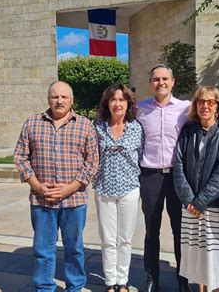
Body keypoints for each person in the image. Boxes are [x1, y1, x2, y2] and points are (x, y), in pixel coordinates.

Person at [14, 81, 99, 291]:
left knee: (75, 249)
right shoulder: (32, 123)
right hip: (41, 200)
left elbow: (92, 161)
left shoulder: (85, 124)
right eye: (55, 96)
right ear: (48, 99)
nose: (59, 100)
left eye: (64, 97)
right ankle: (44, 287)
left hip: (75, 201)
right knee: (43, 249)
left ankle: (75, 286)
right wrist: (37, 186)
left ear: (72, 100)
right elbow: (20, 157)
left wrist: (69, 188)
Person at [173, 86, 219, 292]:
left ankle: (213, 289)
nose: (205, 106)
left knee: (212, 253)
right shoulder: (188, 130)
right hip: (190, 206)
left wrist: (200, 202)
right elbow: (179, 166)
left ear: (218, 106)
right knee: (194, 252)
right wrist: (189, 200)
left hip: (212, 205)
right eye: (201, 101)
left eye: (210, 102)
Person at [137, 64, 192, 292]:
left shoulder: (186, 109)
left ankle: (183, 279)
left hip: (178, 177)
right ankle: (152, 277)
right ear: (151, 82)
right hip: (150, 176)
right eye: (156, 79)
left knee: (181, 231)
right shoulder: (139, 109)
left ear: (173, 81)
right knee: (152, 230)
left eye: (165, 79)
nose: (161, 83)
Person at [93, 84, 144, 292]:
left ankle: (122, 281)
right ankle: (110, 282)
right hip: (104, 189)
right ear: (107, 103)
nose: (117, 103)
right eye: (113, 99)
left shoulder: (137, 128)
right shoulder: (97, 127)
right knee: (107, 239)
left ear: (128, 103)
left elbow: (140, 157)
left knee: (125, 239)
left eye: (121, 100)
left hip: (129, 189)